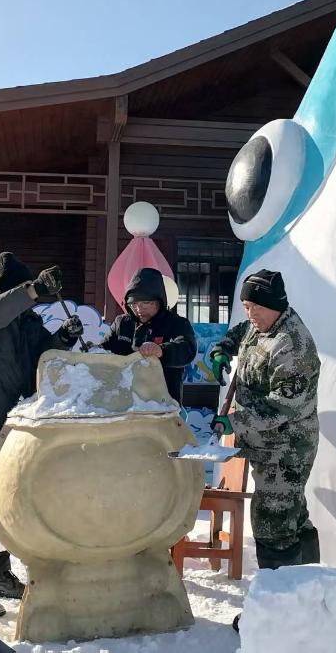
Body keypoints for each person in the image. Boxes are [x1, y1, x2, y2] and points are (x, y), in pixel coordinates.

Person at [0, 253, 84, 619]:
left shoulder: (28, 323)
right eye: (23, 289)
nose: (30, 296)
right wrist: (33, 290)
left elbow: (42, 358)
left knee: (5, 503)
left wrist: (64, 337)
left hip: (12, 425)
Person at [208, 269, 320, 632]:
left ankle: (277, 616)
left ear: (275, 305)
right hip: (266, 446)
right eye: (245, 306)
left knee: (273, 525)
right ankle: (311, 601)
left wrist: (233, 423)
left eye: (255, 306)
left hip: (286, 449)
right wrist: (221, 350)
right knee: (293, 520)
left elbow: (281, 407)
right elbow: (241, 332)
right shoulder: (263, 324)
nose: (250, 313)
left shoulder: (292, 345)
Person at [99, 267, 197, 405]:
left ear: (159, 301)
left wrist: (161, 350)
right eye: (134, 304)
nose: (139, 309)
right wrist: (73, 338)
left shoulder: (176, 323)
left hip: (163, 405)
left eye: (146, 303)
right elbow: (101, 352)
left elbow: (187, 349)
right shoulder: (121, 323)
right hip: (121, 402)